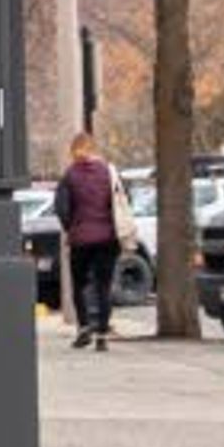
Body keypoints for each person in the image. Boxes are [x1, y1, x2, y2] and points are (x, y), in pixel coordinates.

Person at [59, 131, 128, 350]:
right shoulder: (109, 172)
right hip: (108, 239)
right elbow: (125, 200)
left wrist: (72, 227)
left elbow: (61, 208)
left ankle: (84, 328)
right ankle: (102, 336)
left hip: (81, 240)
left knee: (79, 284)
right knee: (103, 286)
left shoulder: (69, 175)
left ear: (73, 150)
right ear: (94, 149)